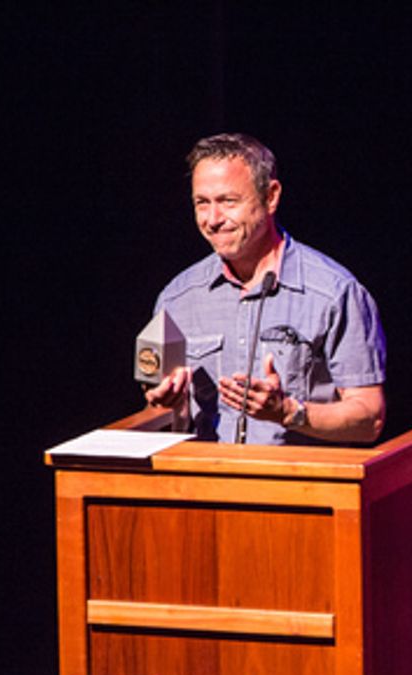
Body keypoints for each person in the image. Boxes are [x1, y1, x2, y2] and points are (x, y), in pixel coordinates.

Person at [144, 133, 386, 444]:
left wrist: (288, 412)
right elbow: (154, 408)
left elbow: (370, 418)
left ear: (271, 196)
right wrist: (165, 405)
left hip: (301, 487)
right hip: (203, 486)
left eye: (228, 201)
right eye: (202, 203)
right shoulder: (176, 298)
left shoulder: (335, 293)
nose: (213, 219)